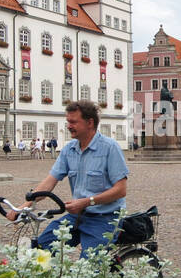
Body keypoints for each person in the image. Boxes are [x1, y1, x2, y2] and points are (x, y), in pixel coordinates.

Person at [12, 101, 129, 255]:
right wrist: (23, 207)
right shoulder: (69, 149)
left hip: (105, 218)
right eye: (68, 121)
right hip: (77, 216)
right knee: (40, 250)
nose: (68, 126)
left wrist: (87, 202)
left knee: (88, 269)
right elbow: (49, 183)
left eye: (73, 122)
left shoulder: (110, 148)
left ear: (90, 123)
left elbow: (121, 190)